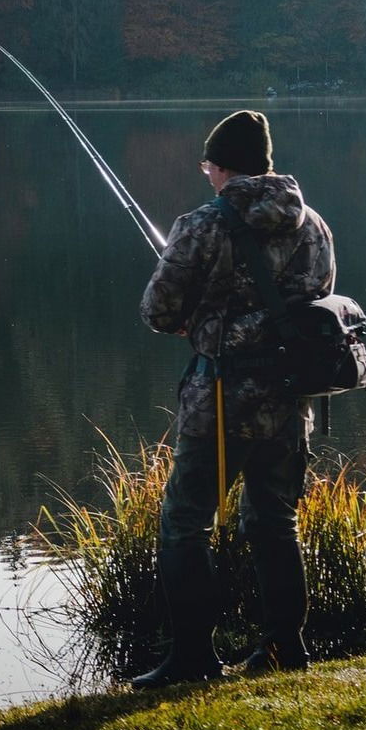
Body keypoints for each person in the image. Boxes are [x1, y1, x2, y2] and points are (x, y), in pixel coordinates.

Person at [131, 109, 336, 689]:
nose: (207, 176)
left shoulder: (202, 225)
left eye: (208, 167)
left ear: (223, 168)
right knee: (275, 521)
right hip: (292, 401)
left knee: (184, 525)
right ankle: (284, 647)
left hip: (219, 400)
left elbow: (157, 311)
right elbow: (314, 300)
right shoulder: (313, 224)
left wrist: (196, 316)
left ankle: (194, 657)